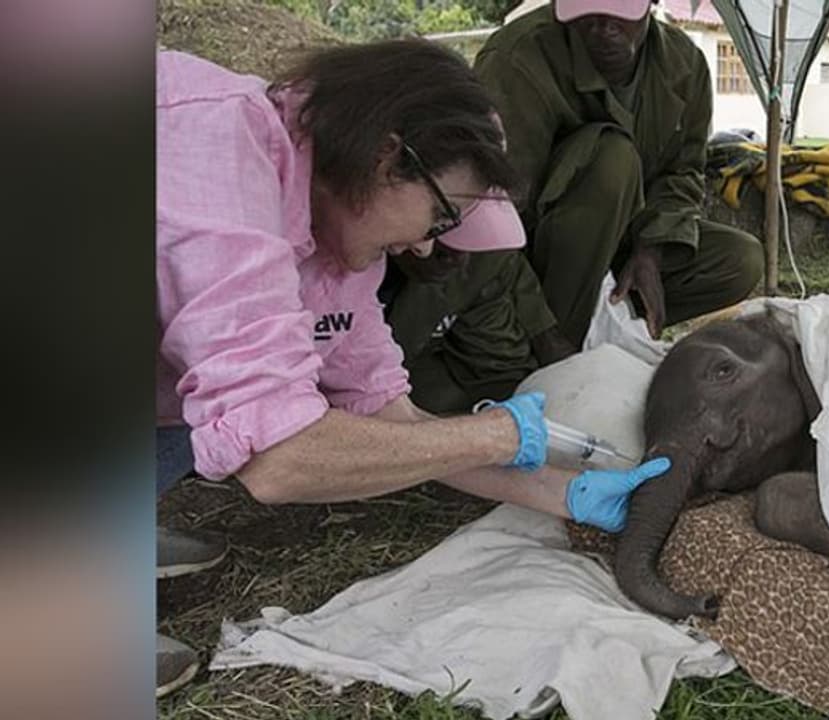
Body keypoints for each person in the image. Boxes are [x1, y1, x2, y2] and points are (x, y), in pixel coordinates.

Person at [156, 41, 669, 697]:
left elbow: (391, 418)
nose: (428, 247)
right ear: (389, 157)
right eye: (442, 214)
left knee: (201, 391)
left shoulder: (343, 244)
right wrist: (491, 435)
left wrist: (566, 493)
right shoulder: (221, 149)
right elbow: (278, 458)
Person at [464, 0, 764, 347]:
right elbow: (490, 213)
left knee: (739, 259)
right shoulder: (516, 60)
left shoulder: (685, 65)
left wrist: (651, 249)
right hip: (535, 256)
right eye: (588, 11)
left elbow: (682, 172)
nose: (603, 27)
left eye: (620, 12)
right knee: (613, 160)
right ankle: (554, 339)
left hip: (623, 245)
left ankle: (617, 320)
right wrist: (540, 327)